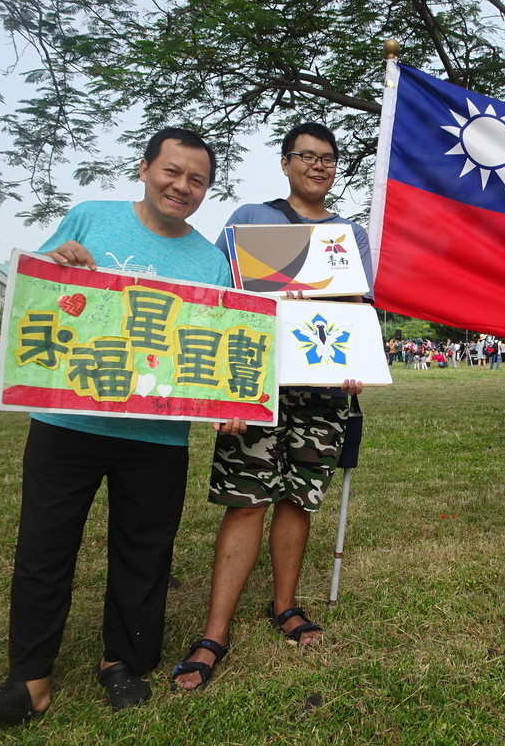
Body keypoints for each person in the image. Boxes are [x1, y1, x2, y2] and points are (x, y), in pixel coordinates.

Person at [0, 128, 245, 724]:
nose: (182, 186)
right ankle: (29, 680)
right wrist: (55, 262)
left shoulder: (211, 262)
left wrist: (230, 404)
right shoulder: (90, 217)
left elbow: (216, 348)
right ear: (144, 169)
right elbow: (35, 287)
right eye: (172, 171)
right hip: (66, 421)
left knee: (144, 550)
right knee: (44, 547)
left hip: (156, 435)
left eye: (197, 180)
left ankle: (124, 662)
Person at [172, 123, 369, 692]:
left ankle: (285, 606)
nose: (318, 165)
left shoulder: (348, 234)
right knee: (245, 501)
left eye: (328, 158)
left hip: (323, 389)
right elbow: (220, 297)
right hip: (255, 382)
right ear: (285, 163)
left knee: (298, 499)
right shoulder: (251, 219)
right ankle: (215, 632)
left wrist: (356, 359)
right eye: (306, 155)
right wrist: (224, 387)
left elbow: (358, 308)